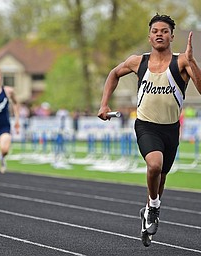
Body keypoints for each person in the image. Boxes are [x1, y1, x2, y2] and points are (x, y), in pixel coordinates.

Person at [97, 14, 201, 247]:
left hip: (171, 130)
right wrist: (104, 104)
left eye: (164, 31)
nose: (159, 34)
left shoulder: (182, 61)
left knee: (161, 176)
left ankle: (148, 212)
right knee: (154, 165)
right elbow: (114, 73)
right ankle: (153, 209)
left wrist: (193, 62)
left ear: (172, 36)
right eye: (155, 31)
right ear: (149, 36)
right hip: (145, 125)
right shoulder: (138, 61)